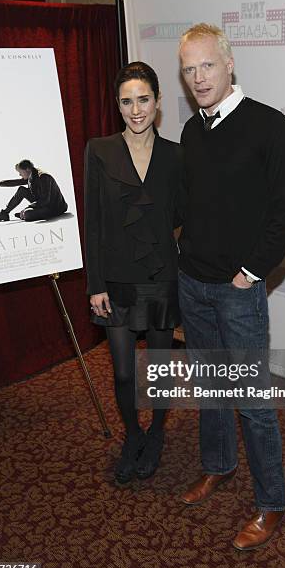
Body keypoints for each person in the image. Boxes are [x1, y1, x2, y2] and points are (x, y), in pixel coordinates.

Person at [178, 24, 285, 550]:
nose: (198, 78)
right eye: (188, 70)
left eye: (207, 65)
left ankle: (271, 503)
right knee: (209, 388)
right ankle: (218, 466)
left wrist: (249, 273)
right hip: (194, 284)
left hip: (237, 291)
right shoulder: (190, 131)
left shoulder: (271, 127)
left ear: (230, 65)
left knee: (251, 400)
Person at [84, 62, 183, 484]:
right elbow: (92, 221)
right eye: (127, 101)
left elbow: (188, 218)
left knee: (159, 368)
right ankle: (132, 435)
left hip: (161, 278)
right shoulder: (99, 150)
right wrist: (94, 284)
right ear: (118, 105)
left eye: (144, 99)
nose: (136, 109)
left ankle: (157, 434)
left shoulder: (177, 156)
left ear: (158, 103)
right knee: (124, 372)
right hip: (116, 281)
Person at [0, 159, 68, 222]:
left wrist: (28, 207)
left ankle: (25, 214)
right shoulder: (31, 174)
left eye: (20, 172)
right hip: (42, 202)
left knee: (27, 214)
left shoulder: (43, 177)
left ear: (27, 169)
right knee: (21, 190)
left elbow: (45, 200)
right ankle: (4, 214)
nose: (19, 175)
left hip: (55, 207)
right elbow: (14, 182)